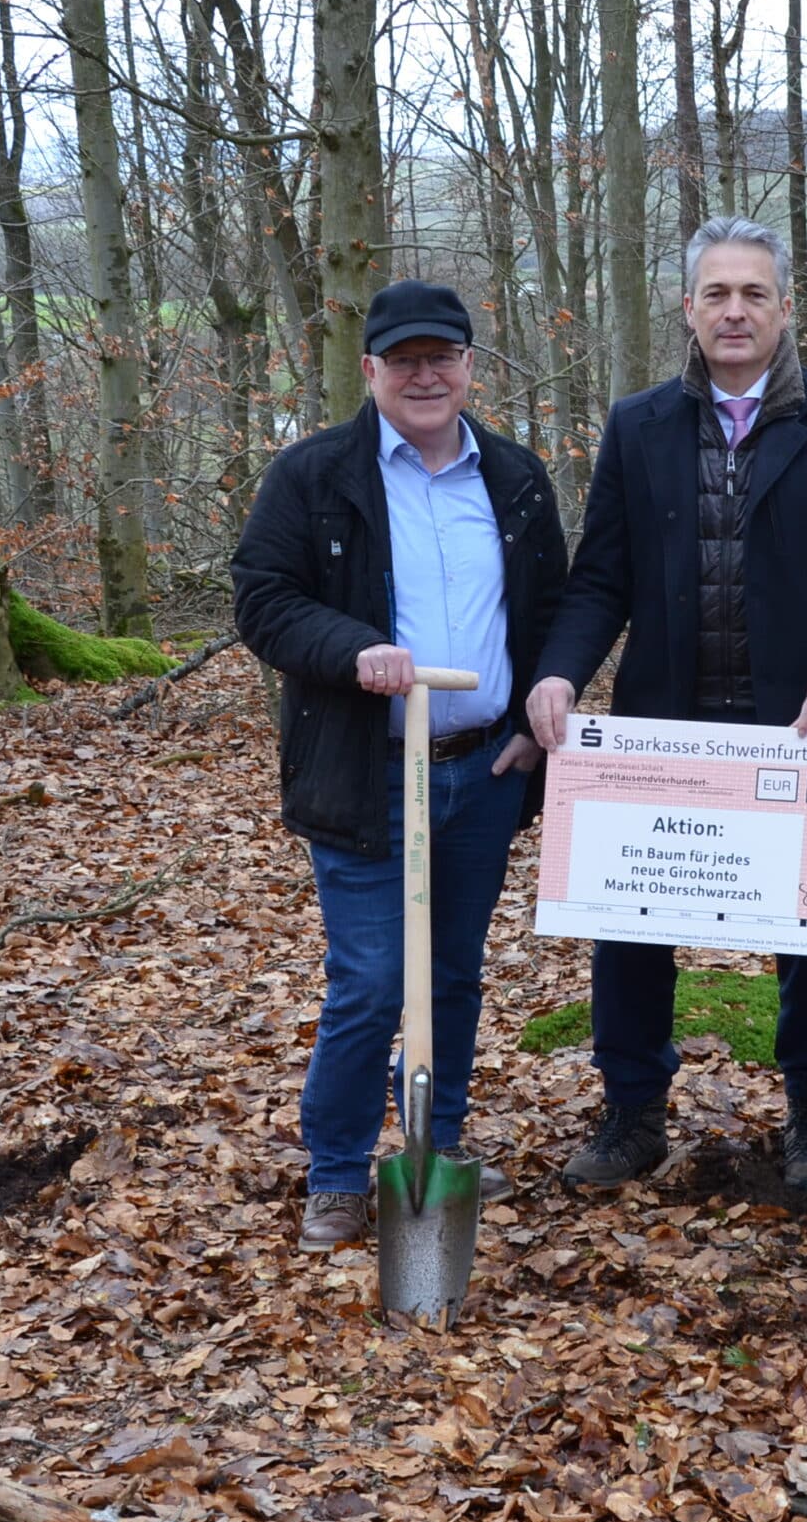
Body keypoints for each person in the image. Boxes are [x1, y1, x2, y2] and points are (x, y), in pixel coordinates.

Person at [527, 216, 807, 1190]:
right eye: (717, 294)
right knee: (628, 926)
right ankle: (632, 1115)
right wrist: (560, 673)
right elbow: (600, 578)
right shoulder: (639, 425)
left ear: (785, 309)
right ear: (688, 309)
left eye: (754, 293)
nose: (734, 310)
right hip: (666, 729)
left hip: (806, 728)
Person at [233, 280, 568, 1249]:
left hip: (484, 769)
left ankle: (436, 1149)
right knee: (376, 980)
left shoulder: (513, 477)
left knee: (454, 974)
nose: (426, 374)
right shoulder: (314, 475)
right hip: (368, 770)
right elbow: (261, 598)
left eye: (444, 356)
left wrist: (531, 721)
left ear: (469, 367)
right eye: (404, 358)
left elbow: (551, 613)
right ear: (371, 369)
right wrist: (351, 649)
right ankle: (337, 1171)